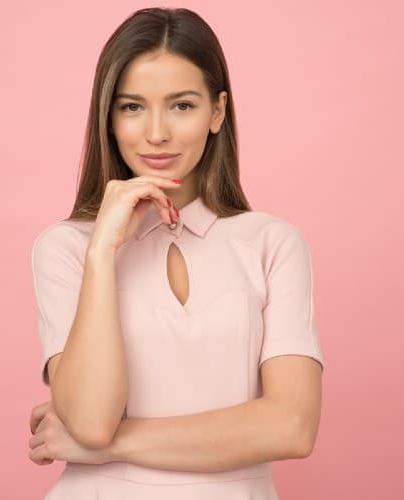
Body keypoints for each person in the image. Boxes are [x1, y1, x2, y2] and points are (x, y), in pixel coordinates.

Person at [27, 7, 324, 499]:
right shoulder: (67, 248)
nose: (157, 132)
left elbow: (291, 426)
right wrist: (103, 249)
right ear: (108, 117)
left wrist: (108, 447)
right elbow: (91, 421)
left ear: (218, 112)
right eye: (132, 107)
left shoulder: (272, 243)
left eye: (182, 105)